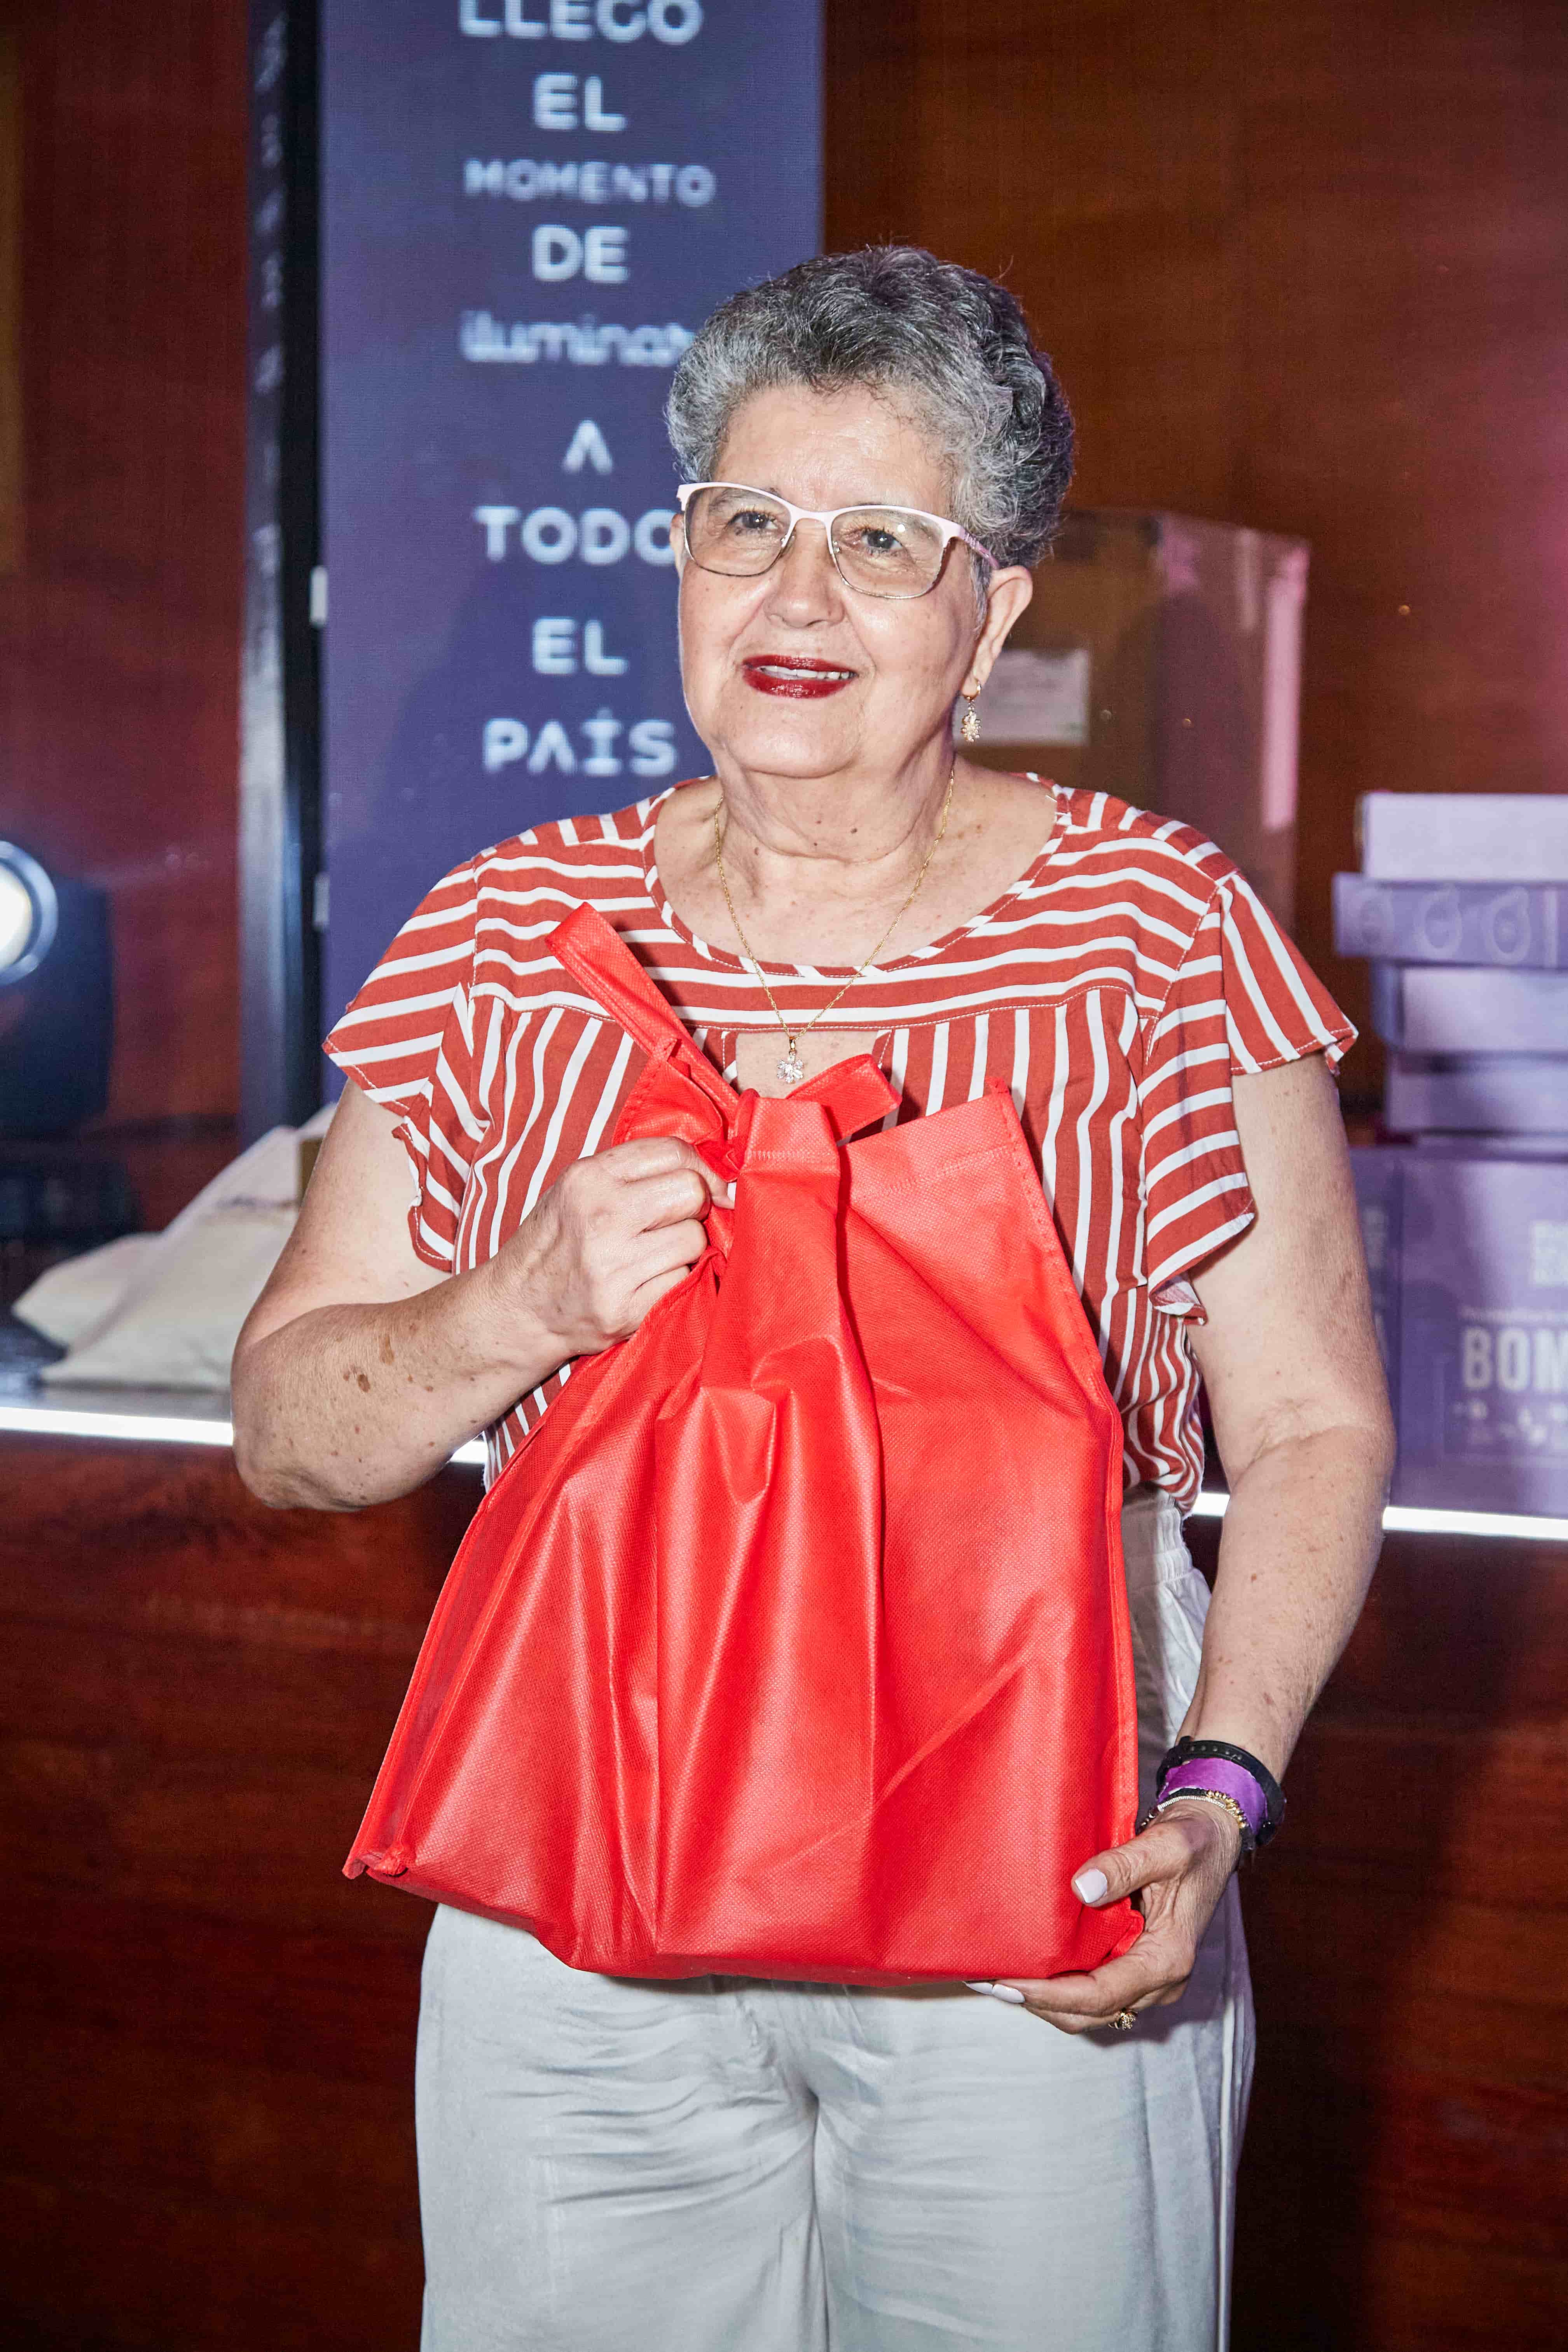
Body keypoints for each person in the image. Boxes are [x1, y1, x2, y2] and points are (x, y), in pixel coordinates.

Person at [232, 246, 1393, 2351]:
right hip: (582, 1835)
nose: (798, 596)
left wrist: (1220, 1786)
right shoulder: (500, 934)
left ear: (995, 613)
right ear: (678, 558)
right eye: (746, 522)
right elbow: (291, 1432)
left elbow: (1310, 1416)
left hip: (1044, 1816)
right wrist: (516, 1303)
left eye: (881, 542)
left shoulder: (1156, 928)